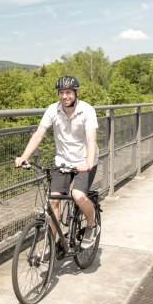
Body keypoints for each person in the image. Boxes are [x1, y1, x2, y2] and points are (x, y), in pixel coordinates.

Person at [15, 75, 99, 249]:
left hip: (84, 160)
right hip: (63, 161)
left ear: (75, 93)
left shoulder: (87, 110)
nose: (64, 96)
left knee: (78, 195)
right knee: (53, 201)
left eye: (68, 92)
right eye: (61, 92)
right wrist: (24, 157)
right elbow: (39, 133)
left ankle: (91, 225)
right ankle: (51, 245)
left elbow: (91, 140)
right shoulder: (53, 110)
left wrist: (88, 163)